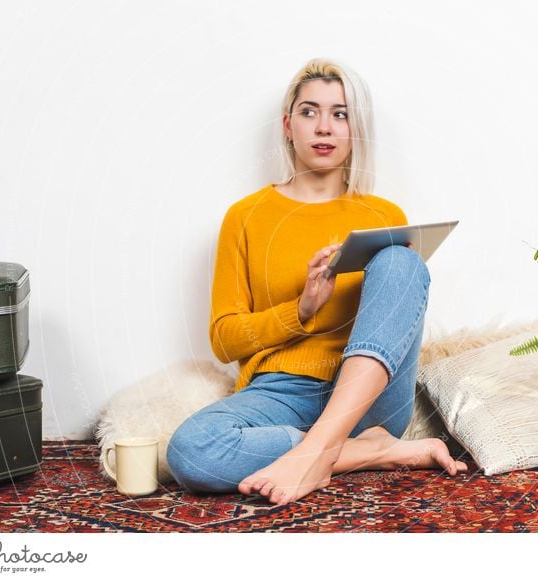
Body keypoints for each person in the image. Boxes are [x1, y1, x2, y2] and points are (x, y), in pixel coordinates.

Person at [167, 57, 467, 506]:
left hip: (370, 398)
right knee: (191, 451)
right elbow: (224, 341)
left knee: (402, 264)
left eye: (340, 114)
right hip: (279, 392)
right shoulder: (245, 217)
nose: (323, 127)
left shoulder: (383, 216)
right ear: (288, 126)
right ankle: (367, 452)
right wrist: (301, 309)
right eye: (309, 112)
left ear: (355, 128)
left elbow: (398, 310)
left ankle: (319, 448)